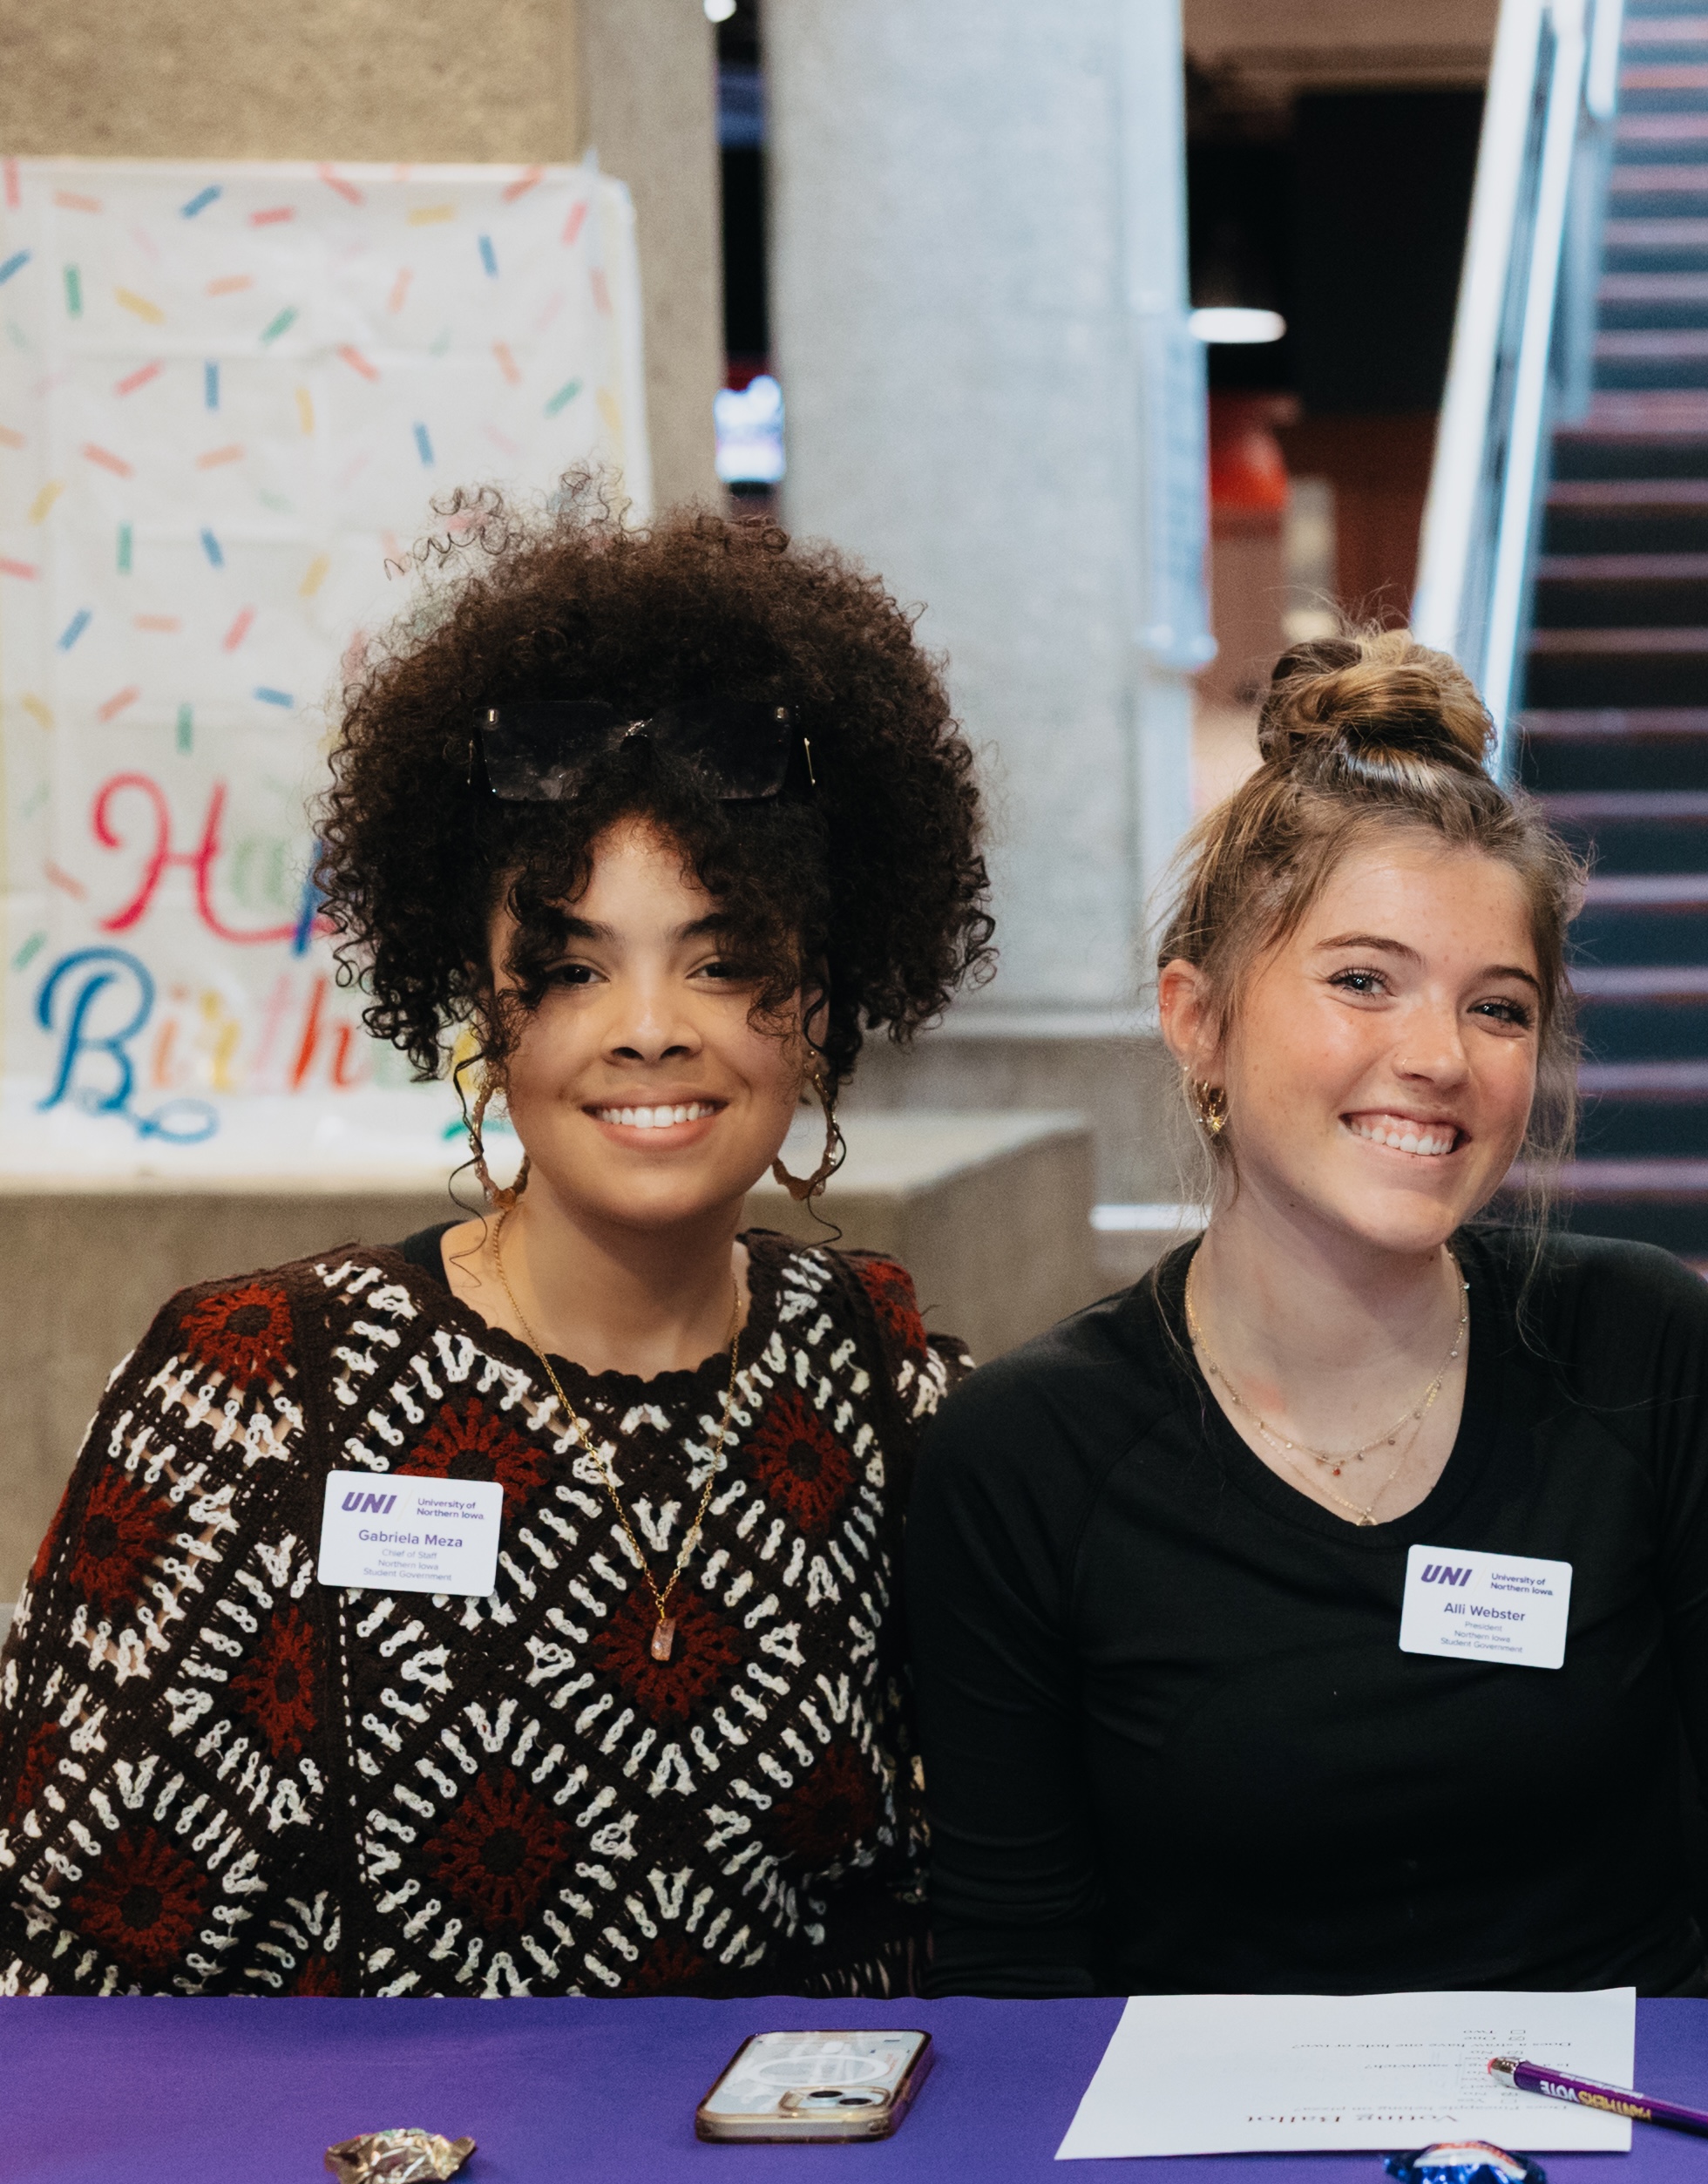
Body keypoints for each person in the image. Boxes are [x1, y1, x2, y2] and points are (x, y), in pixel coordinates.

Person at [0, 485, 994, 1994]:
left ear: (827, 999)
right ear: (477, 1002)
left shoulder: (882, 1384)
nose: (650, 1032)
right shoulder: (255, 1395)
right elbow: (75, 1980)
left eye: (725, 963)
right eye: (572, 969)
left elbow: (947, 1922)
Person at [905, 633, 1708, 1997]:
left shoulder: (1639, 1349)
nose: (1437, 1058)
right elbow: (1013, 1970)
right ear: (1196, 1021)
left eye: (1497, 1008)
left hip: (1619, 2155)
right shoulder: (1026, 1453)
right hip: (1210, 2180)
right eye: (1363, 980)